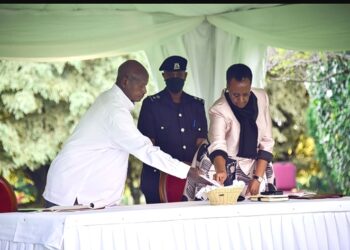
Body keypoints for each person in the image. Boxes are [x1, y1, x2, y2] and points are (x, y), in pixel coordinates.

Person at [42, 60, 207, 208]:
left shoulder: (110, 100)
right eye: (141, 85)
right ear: (125, 81)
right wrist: (187, 171)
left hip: (81, 192)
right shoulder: (115, 111)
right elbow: (145, 149)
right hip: (73, 192)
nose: (144, 91)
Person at [137, 55, 208, 203]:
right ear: (164, 76)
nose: (175, 77)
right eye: (171, 74)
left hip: (190, 179)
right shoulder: (151, 105)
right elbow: (147, 146)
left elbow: (201, 143)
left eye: (179, 74)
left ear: (185, 75)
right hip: (157, 178)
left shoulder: (196, 105)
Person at [207, 63, 275, 196]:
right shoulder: (219, 109)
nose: (241, 100)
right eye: (236, 95)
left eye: (246, 94)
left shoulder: (261, 98)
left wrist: (257, 178)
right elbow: (218, 145)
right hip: (225, 164)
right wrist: (221, 171)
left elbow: (267, 141)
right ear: (228, 87)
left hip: (258, 165)